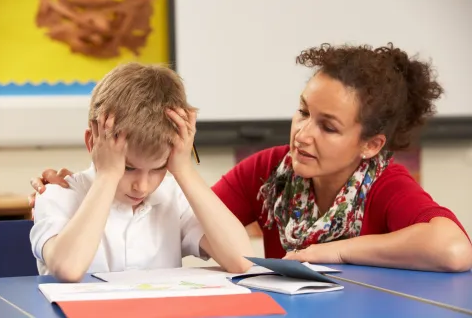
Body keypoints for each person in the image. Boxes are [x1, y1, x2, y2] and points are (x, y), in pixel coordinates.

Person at [29, 43, 472, 272]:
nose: (302, 133)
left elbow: (453, 247)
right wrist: (103, 179)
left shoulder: (385, 183)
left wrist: (331, 252)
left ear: (371, 144)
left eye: (328, 126)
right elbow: (207, 222)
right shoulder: (269, 171)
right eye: (302, 112)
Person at [29, 63, 253, 283]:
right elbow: (68, 268)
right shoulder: (57, 194)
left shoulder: (173, 197)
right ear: (92, 142)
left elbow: (242, 261)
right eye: (127, 167)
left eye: (158, 168)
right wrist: (108, 175)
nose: (142, 186)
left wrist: (184, 169)